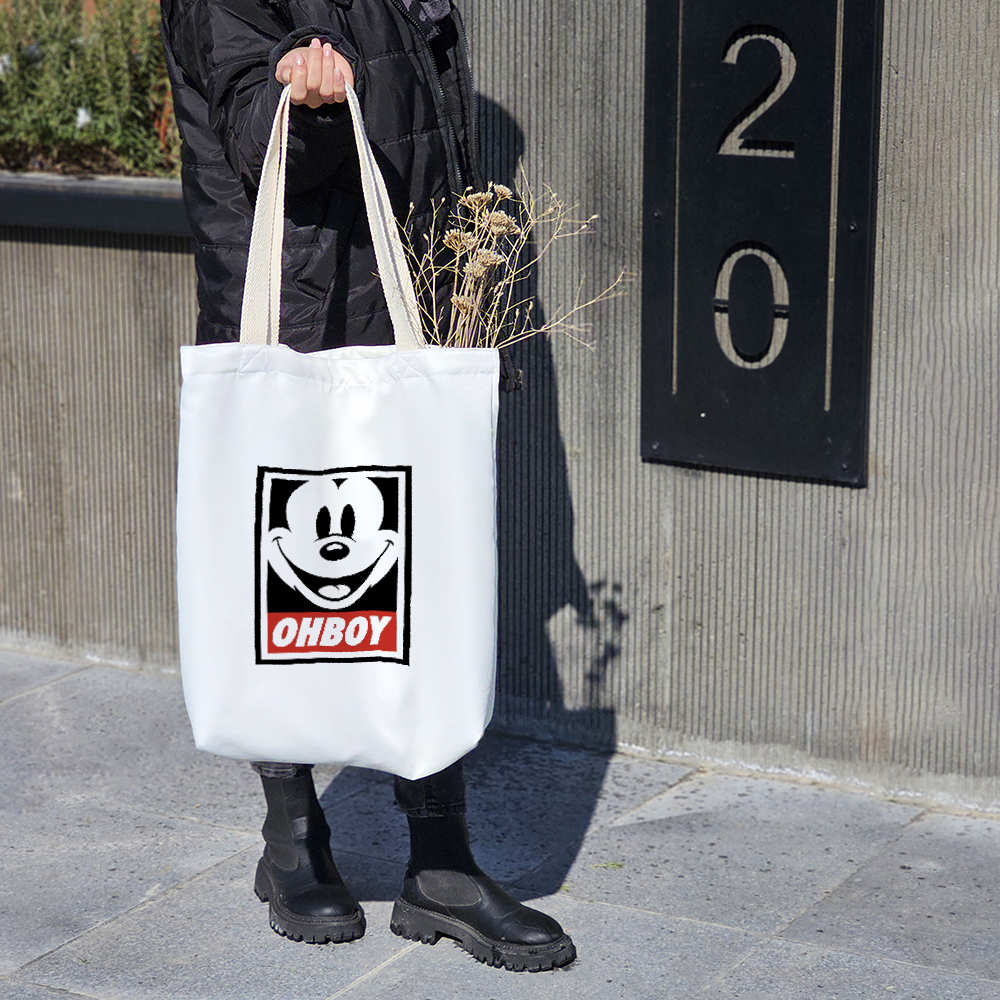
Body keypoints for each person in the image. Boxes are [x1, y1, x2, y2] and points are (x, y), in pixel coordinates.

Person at [159, 0, 574, 973]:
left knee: (420, 579)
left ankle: (442, 861)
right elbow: (254, 135)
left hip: (400, 302)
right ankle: (293, 838)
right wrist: (301, 106)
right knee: (290, 587)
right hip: (299, 303)